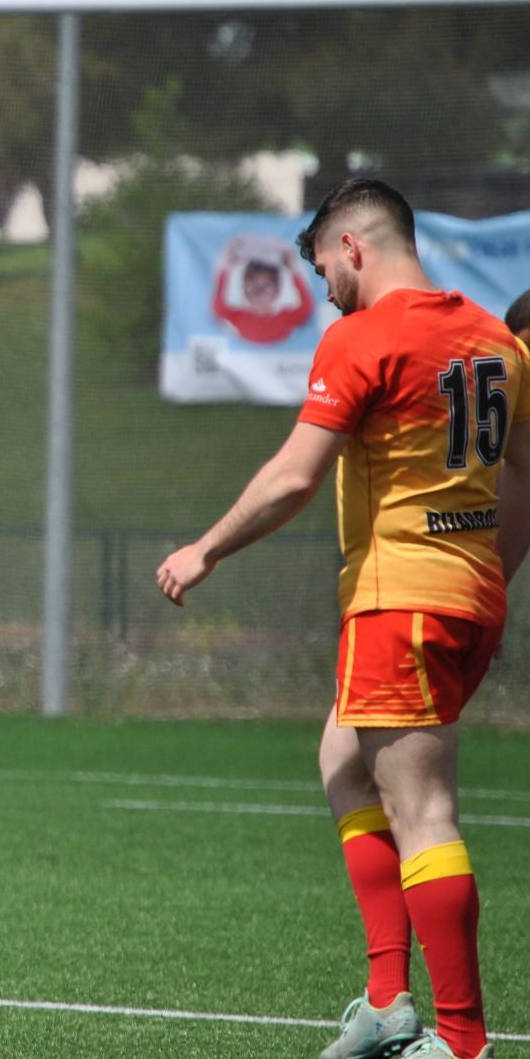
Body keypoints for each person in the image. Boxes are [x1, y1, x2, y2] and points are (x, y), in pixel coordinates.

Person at [157, 178, 530, 1059]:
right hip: (462, 595)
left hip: (399, 596)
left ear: (355, 246)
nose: (322, 285)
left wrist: (204, 549)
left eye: (323, 263)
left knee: (423, 808)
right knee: (339, 756)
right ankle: (388, 1000)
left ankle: (464, 1044)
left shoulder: (362, 336)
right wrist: (493, 574)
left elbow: (292, 476)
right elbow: (528, 473)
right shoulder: (493, 340)